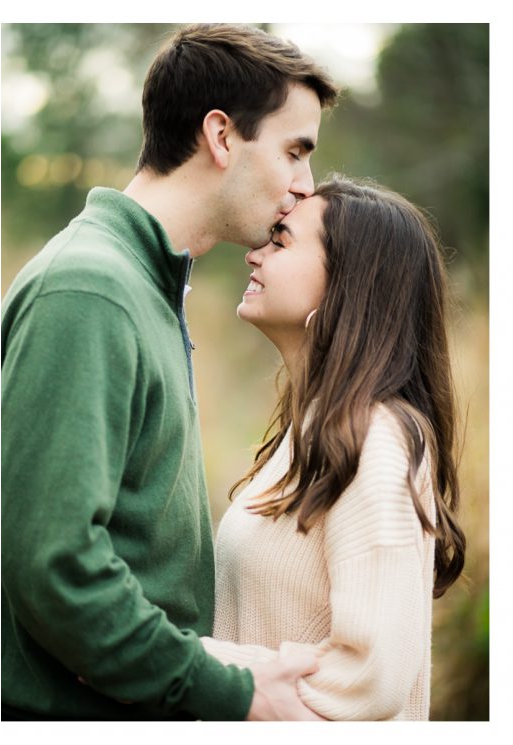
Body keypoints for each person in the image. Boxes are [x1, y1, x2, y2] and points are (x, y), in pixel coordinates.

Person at [1, 24, 339, 720]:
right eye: (294, 151)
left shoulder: (144, 284)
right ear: (220, 136)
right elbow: (56, 566)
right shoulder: (90, 290)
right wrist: (233, 694)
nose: (304, 185)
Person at [200, 175, 466, 720]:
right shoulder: (314, 427)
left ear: (347, 282)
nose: (253, 254)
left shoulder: (378, 438)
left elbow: (370, 676)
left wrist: (188, 664)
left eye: (280, 240)